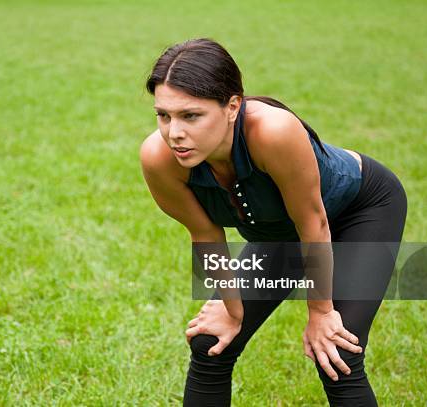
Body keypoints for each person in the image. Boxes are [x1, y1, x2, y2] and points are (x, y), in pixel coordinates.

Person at [139, 38, 407, 406]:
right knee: (211, 343)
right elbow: (205, 234)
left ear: (233, 105)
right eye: (163, 115)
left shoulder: (273, 132)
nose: (174, 133)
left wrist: (321, 312)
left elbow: (314, 224)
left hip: (360, 211)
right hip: (282, 234)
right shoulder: (160, 158)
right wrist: (232, 311)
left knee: (337, 354)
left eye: (191, 115)